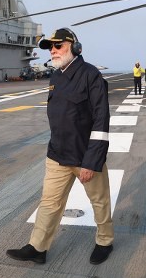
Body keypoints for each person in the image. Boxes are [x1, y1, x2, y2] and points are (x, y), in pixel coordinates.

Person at [7, 27, 114, 265]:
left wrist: (91, 161)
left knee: (99, 201)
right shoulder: (55, 77)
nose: (53, 51)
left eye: (59, 46)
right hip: (57, 154)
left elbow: (101, 120)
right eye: (51, 47)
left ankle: (105, 241)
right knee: (49, 203)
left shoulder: (90, 75)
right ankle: (38, 247)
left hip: (84, 154)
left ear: (75, 48)